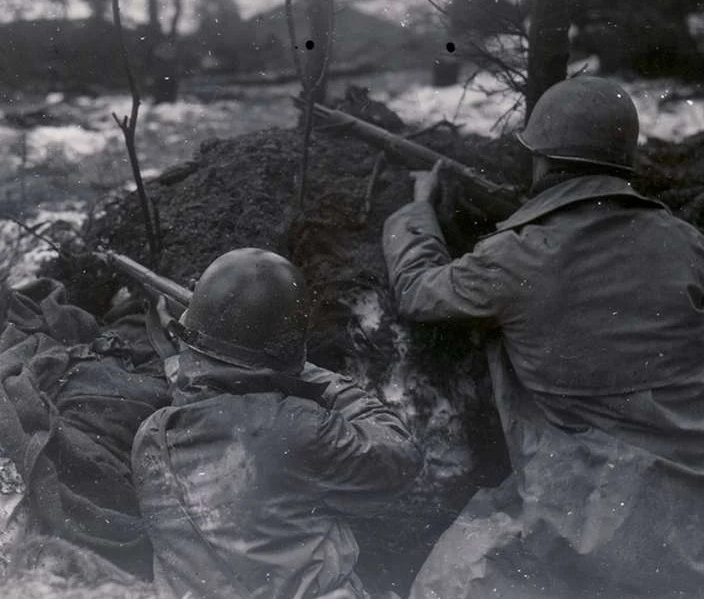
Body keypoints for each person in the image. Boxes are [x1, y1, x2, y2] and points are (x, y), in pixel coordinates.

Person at [380, 76, 704, 598]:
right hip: (694, 515)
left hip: (589, 520)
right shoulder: (687, 242)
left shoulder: (512, 258)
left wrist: (418, 208)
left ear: (544, 161)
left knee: (447, 581)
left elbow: (418, 291)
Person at [132, 247, 423, 599]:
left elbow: (200, 396)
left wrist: (198, 342)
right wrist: (309, 373)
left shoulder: (150, 435)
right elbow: (399, 452)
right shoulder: (294, 426)